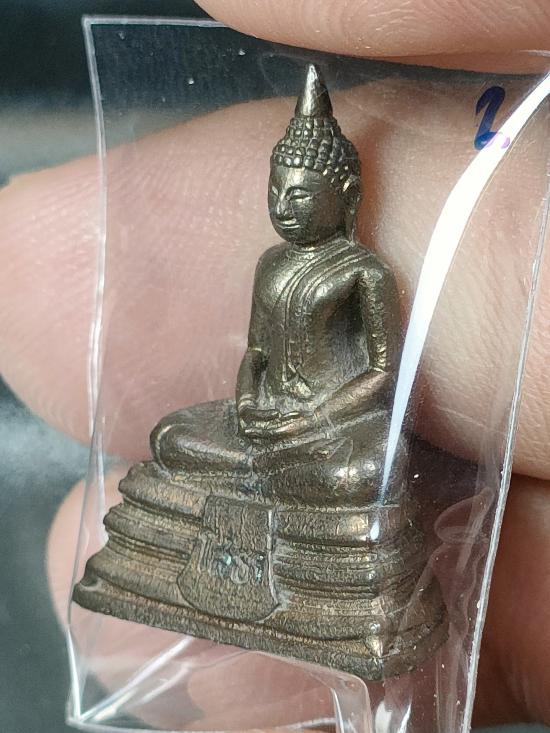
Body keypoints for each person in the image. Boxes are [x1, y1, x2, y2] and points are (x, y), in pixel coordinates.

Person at [2, 0, 550, 727]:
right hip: (269, 419)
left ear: (344, 195)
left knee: (357, 478)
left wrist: (315, 416)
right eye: (276, 192)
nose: (285, 206)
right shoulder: (270, 264)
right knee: (173, 437)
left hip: (336, 427)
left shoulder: (361, 272)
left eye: (301, 192)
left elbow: (380, 374)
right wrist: (252, 407)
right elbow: (258, 354)